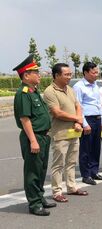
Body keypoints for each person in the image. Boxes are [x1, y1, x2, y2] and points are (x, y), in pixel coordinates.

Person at [13, 54, 56, 216]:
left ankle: (40, 197)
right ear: (26, 75)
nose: (39, 75)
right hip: (34, 137)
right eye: (35, 72)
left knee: (41, 170)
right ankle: (34, 204)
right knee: (32, 172)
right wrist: (33, 141)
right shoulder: (23, 93)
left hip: (43, 136)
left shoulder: (34, 91)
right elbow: (25, 119)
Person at [43, 63, 88, 203]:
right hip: (60, 133)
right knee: (59, 164)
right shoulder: (50, 91)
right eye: (66, 74)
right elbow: (57, 113)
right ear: (56, 75)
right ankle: (57, 192)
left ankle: (71, 187)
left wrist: (77, 122)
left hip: (74, 131)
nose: (70, 76)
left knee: (71, 161)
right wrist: (77, 118)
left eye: (70, 74)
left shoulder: (69, 89)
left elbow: (77, 106)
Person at [73, 62, 102, 185]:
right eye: (94, 72)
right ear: (86, 72)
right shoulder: (79, 86)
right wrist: (84, 123)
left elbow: (98, 104)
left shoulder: (96, 86)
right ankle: (86, 174)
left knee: (96, 148)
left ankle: (94, 171)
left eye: (97, 72)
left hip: (97, 119)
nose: (96, 75)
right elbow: (78, 106)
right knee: (85, 149)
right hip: (87, 120)